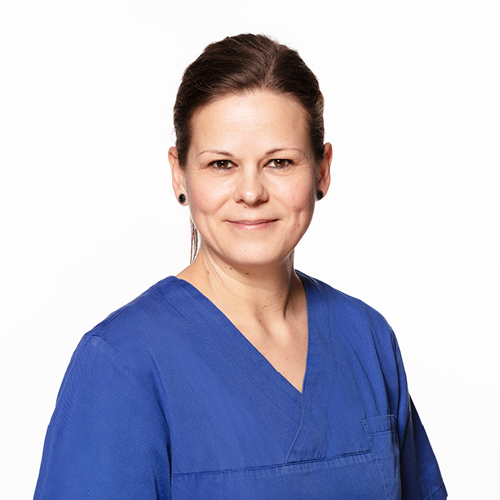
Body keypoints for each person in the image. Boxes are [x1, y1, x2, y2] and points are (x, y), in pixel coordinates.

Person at [34, 34, 447, 499]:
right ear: (179, 173)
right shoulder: (121, 364)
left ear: (322, 169)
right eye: (221, 164)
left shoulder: (366, 339)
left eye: (280, 162)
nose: (251, 193)